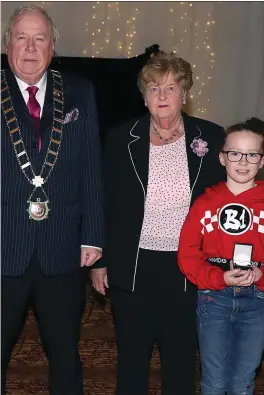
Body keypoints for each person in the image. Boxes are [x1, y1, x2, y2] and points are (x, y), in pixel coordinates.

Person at [91, 51, 226, 395]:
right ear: (144, 95)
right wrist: (101, 260)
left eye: (170, 88)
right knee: (132, 362)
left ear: (185, 93)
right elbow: (105, 201)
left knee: (181, 362)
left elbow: (224, 201)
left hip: (186, 267)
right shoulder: (121, 137)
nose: (162, 96)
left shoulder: (211, 138)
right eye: (154, 88)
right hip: (133, 263)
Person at [1, 5, 104, 395]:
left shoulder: (79, 90)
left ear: (53, 45)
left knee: (64, 353)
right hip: (3, 245)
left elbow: (91, 167)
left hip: (62, 250)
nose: (30, 47)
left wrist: (93, 235)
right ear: (7, 43)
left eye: (39, 38)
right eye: (22, 38)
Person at [178, 118, 264, 395]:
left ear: (261, 162)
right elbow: (188, 252)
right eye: (235, 153)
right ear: (222, 158)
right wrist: (216, 277)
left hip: (258, 301)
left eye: (252, 154)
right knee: (214, 381)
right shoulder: (205, 203)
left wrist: (262, 276)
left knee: (243, 381)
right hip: (214, 298)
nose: (243, 161)